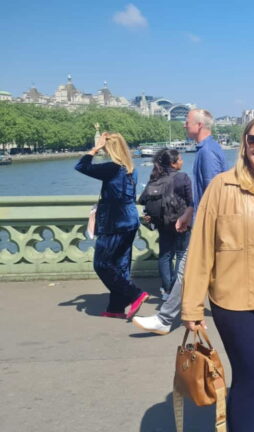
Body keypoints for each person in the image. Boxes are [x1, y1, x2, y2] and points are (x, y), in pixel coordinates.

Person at [182, 116, 254, 431]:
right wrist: (191, 306)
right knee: (253, 375)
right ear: (244, 144)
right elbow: (201, 247)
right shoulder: (222, 186)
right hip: (233, 302)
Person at [132, 109, 227, 334]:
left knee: (187, 269)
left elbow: (214, 192)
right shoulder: (207, 149)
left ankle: (165, 319)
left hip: (207, 224)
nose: (184, 125)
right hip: (204, 220)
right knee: (191, 270)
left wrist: (202, 223)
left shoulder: (207, 153)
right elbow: (205, 192)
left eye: (187, 121)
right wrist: (188, 214)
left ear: (199, 125)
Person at [75, 132, 148, 319]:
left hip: (114, 222)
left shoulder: (112, 168)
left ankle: (135, 294)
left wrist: (95, 148)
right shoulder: (131, 168)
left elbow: (81, 166)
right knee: (120, 264)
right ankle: (115, 308)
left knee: (102, 264)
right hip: (130, 219)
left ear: (110, 149)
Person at [139, 149, 193, 300]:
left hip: (162, 223)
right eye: (180, 159)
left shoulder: (155, 178)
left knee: (165, 255)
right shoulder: (182, 177)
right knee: (181, 254)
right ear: (173, 163)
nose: (182, 161)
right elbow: (191, 201)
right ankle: (177, 289)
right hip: (181, 222)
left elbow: (143, 199)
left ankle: (167, 290)